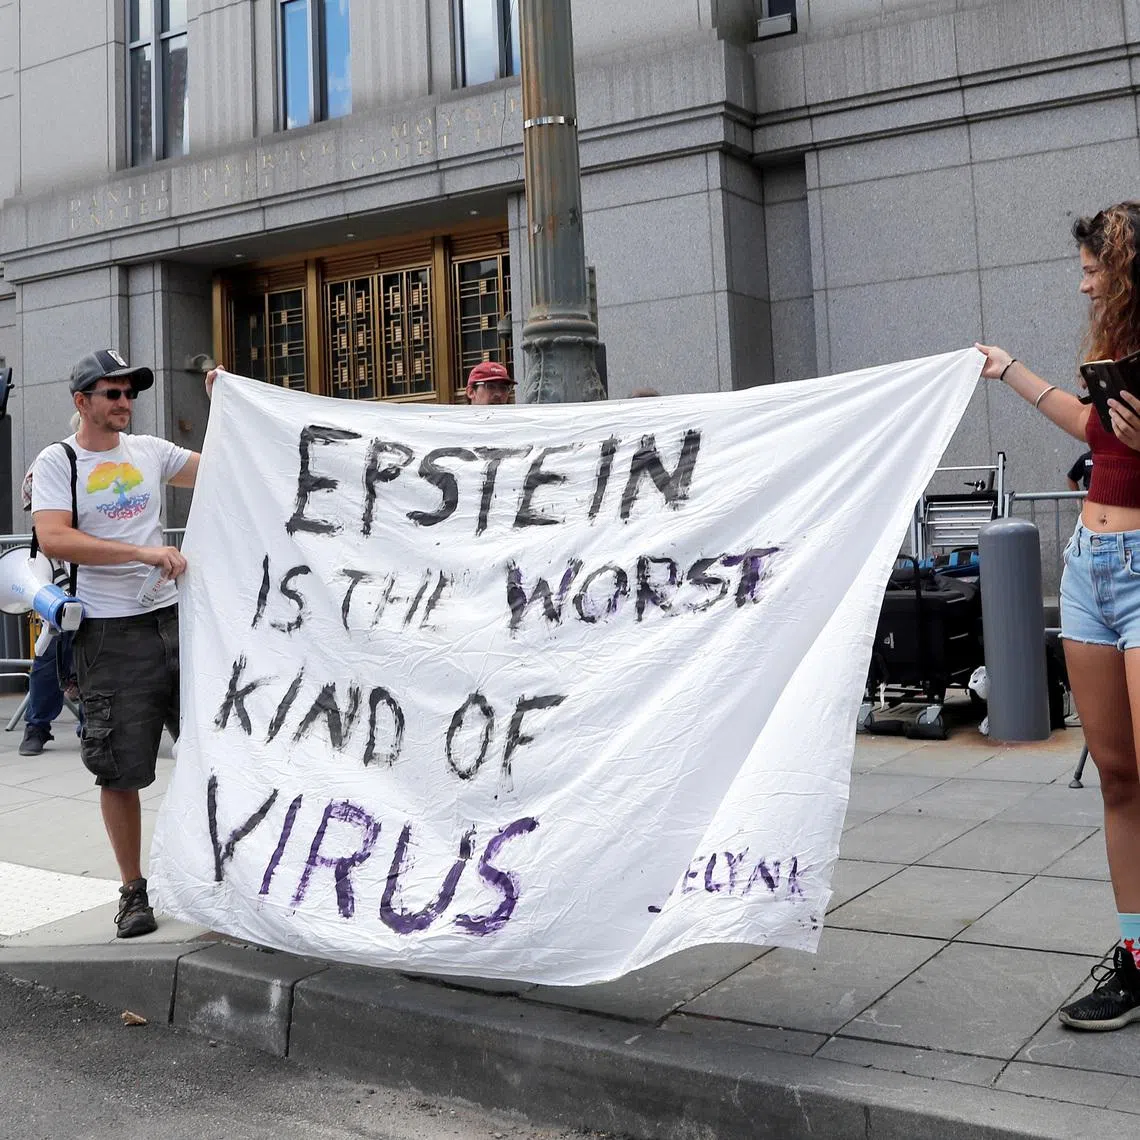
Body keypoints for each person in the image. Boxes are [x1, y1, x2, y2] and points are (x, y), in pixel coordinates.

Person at [976, 200, 1140, 1031]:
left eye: (1092, 269)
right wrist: (1010, 370)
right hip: (1090, 570)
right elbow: (1091, 431)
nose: (1082, 283)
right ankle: (1139, 957)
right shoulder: (1108, 351)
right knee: (1117, 776)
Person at [31, 348, 211, 938]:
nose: (124, 403)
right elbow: (55, 538)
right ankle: (133, 890)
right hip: (109, 635)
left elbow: (221, 469)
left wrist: (228, 407)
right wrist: (142, 552)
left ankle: (226, 876)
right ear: (82, 401)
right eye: (111, 394)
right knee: (121, 770)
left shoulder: (151, 451)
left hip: (175, 623)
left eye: (130, 393)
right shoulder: (59, 461)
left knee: (221, 750)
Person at [16, 464, 81, 756]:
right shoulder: (39, 547)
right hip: (58, 616)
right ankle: (37, 726)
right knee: (47, 659)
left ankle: (90, 724)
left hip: (95, 610)